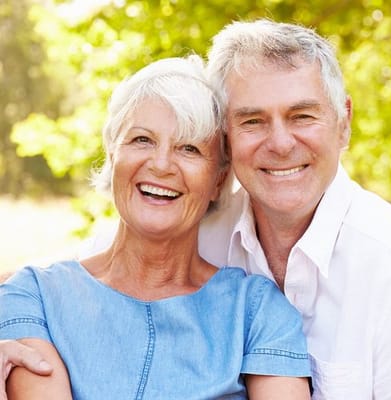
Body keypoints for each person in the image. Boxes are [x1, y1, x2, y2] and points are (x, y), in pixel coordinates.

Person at [2, 18, 391, 399]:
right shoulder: (193, 224)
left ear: (343, 123)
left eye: (302, 116)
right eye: (253, 121)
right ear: (228, 146)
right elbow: (88, 281)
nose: (280, 143)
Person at [0, 55, 311, 399]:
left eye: (189, 148)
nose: (161, 164)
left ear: (218, 178)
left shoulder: (257, 313)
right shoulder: (32, 296)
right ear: (112, 154)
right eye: (142, 140)